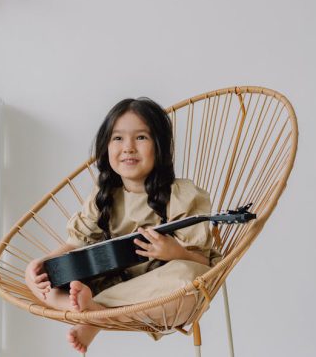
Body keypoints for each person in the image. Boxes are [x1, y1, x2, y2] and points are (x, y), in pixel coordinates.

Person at [25, 97, 214, 354]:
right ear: (106, 147)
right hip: (111, 284)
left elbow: (204, 265)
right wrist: (38, 266)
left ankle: (96, 314)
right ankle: (86, 311)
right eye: (118, 138)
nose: (128, 148)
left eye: (141, 138)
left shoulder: (180, 194)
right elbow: (76, 243)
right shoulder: (104, 195)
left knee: (189, 281)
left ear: (159, 147)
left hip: (157, 291)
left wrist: (174, 252)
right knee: (39, 281)